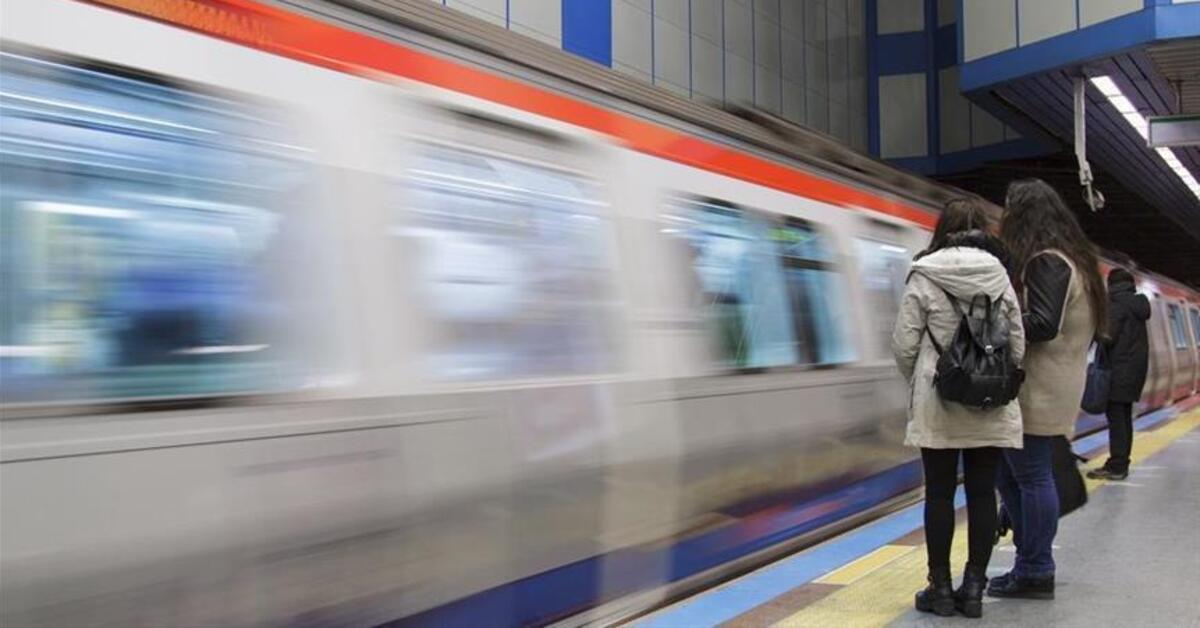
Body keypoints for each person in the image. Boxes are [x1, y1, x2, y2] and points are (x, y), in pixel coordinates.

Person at [892, 198, 1025, 618]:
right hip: (988, 402)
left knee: (940, 494)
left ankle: (941, 590)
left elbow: (904, 345)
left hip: (938, 401)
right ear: (983, 231)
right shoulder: (1000, 276)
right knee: (983, 492)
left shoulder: (924, 273)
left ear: (942, 229)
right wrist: (991, 374)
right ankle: (973, 589)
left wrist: (926, 377)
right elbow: (1018, 346)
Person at [991, 179, 1107, 600]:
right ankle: (1029, 562)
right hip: (1054, 383)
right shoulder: (1075, 261)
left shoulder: (1047, 262)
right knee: (1012, 474)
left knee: (1031, 476)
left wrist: (994, 327)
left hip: (1039, 387)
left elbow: (1041, 323)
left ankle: (1036, 568)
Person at [1087, 268, 1150, 480]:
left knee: (1117, 420)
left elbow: (1107, 336)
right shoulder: (1137, 305)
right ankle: (1121, 462)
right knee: (1124, 419)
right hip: (1133, 372)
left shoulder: (1117, 305)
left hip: (1118, 372)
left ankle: (1117, 466)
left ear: (1111, 284)